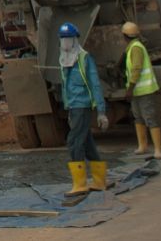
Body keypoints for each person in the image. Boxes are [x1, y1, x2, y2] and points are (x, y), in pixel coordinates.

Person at [58, 22, 109, 198]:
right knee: (86, 142)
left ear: (75, 40)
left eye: (67, 39)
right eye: (62, 39)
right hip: (73, 106)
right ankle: (99, 180)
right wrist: (67, 107)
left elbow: (95, 84)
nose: (65, 42)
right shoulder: (64, 59)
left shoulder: (84, 58)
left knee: (74, 142)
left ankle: (80, 184)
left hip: (83, 105)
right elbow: (65, 87)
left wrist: (101, 111)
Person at [122, 21, 161, 159]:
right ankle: (143, 146)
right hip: (138, 91)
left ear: (124, 36)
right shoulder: (133, 47)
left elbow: (136, 68)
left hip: (144, 90)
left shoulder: (136, 48)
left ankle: (158, 149)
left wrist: (130, 88)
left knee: (150, 118)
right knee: (138, 118)